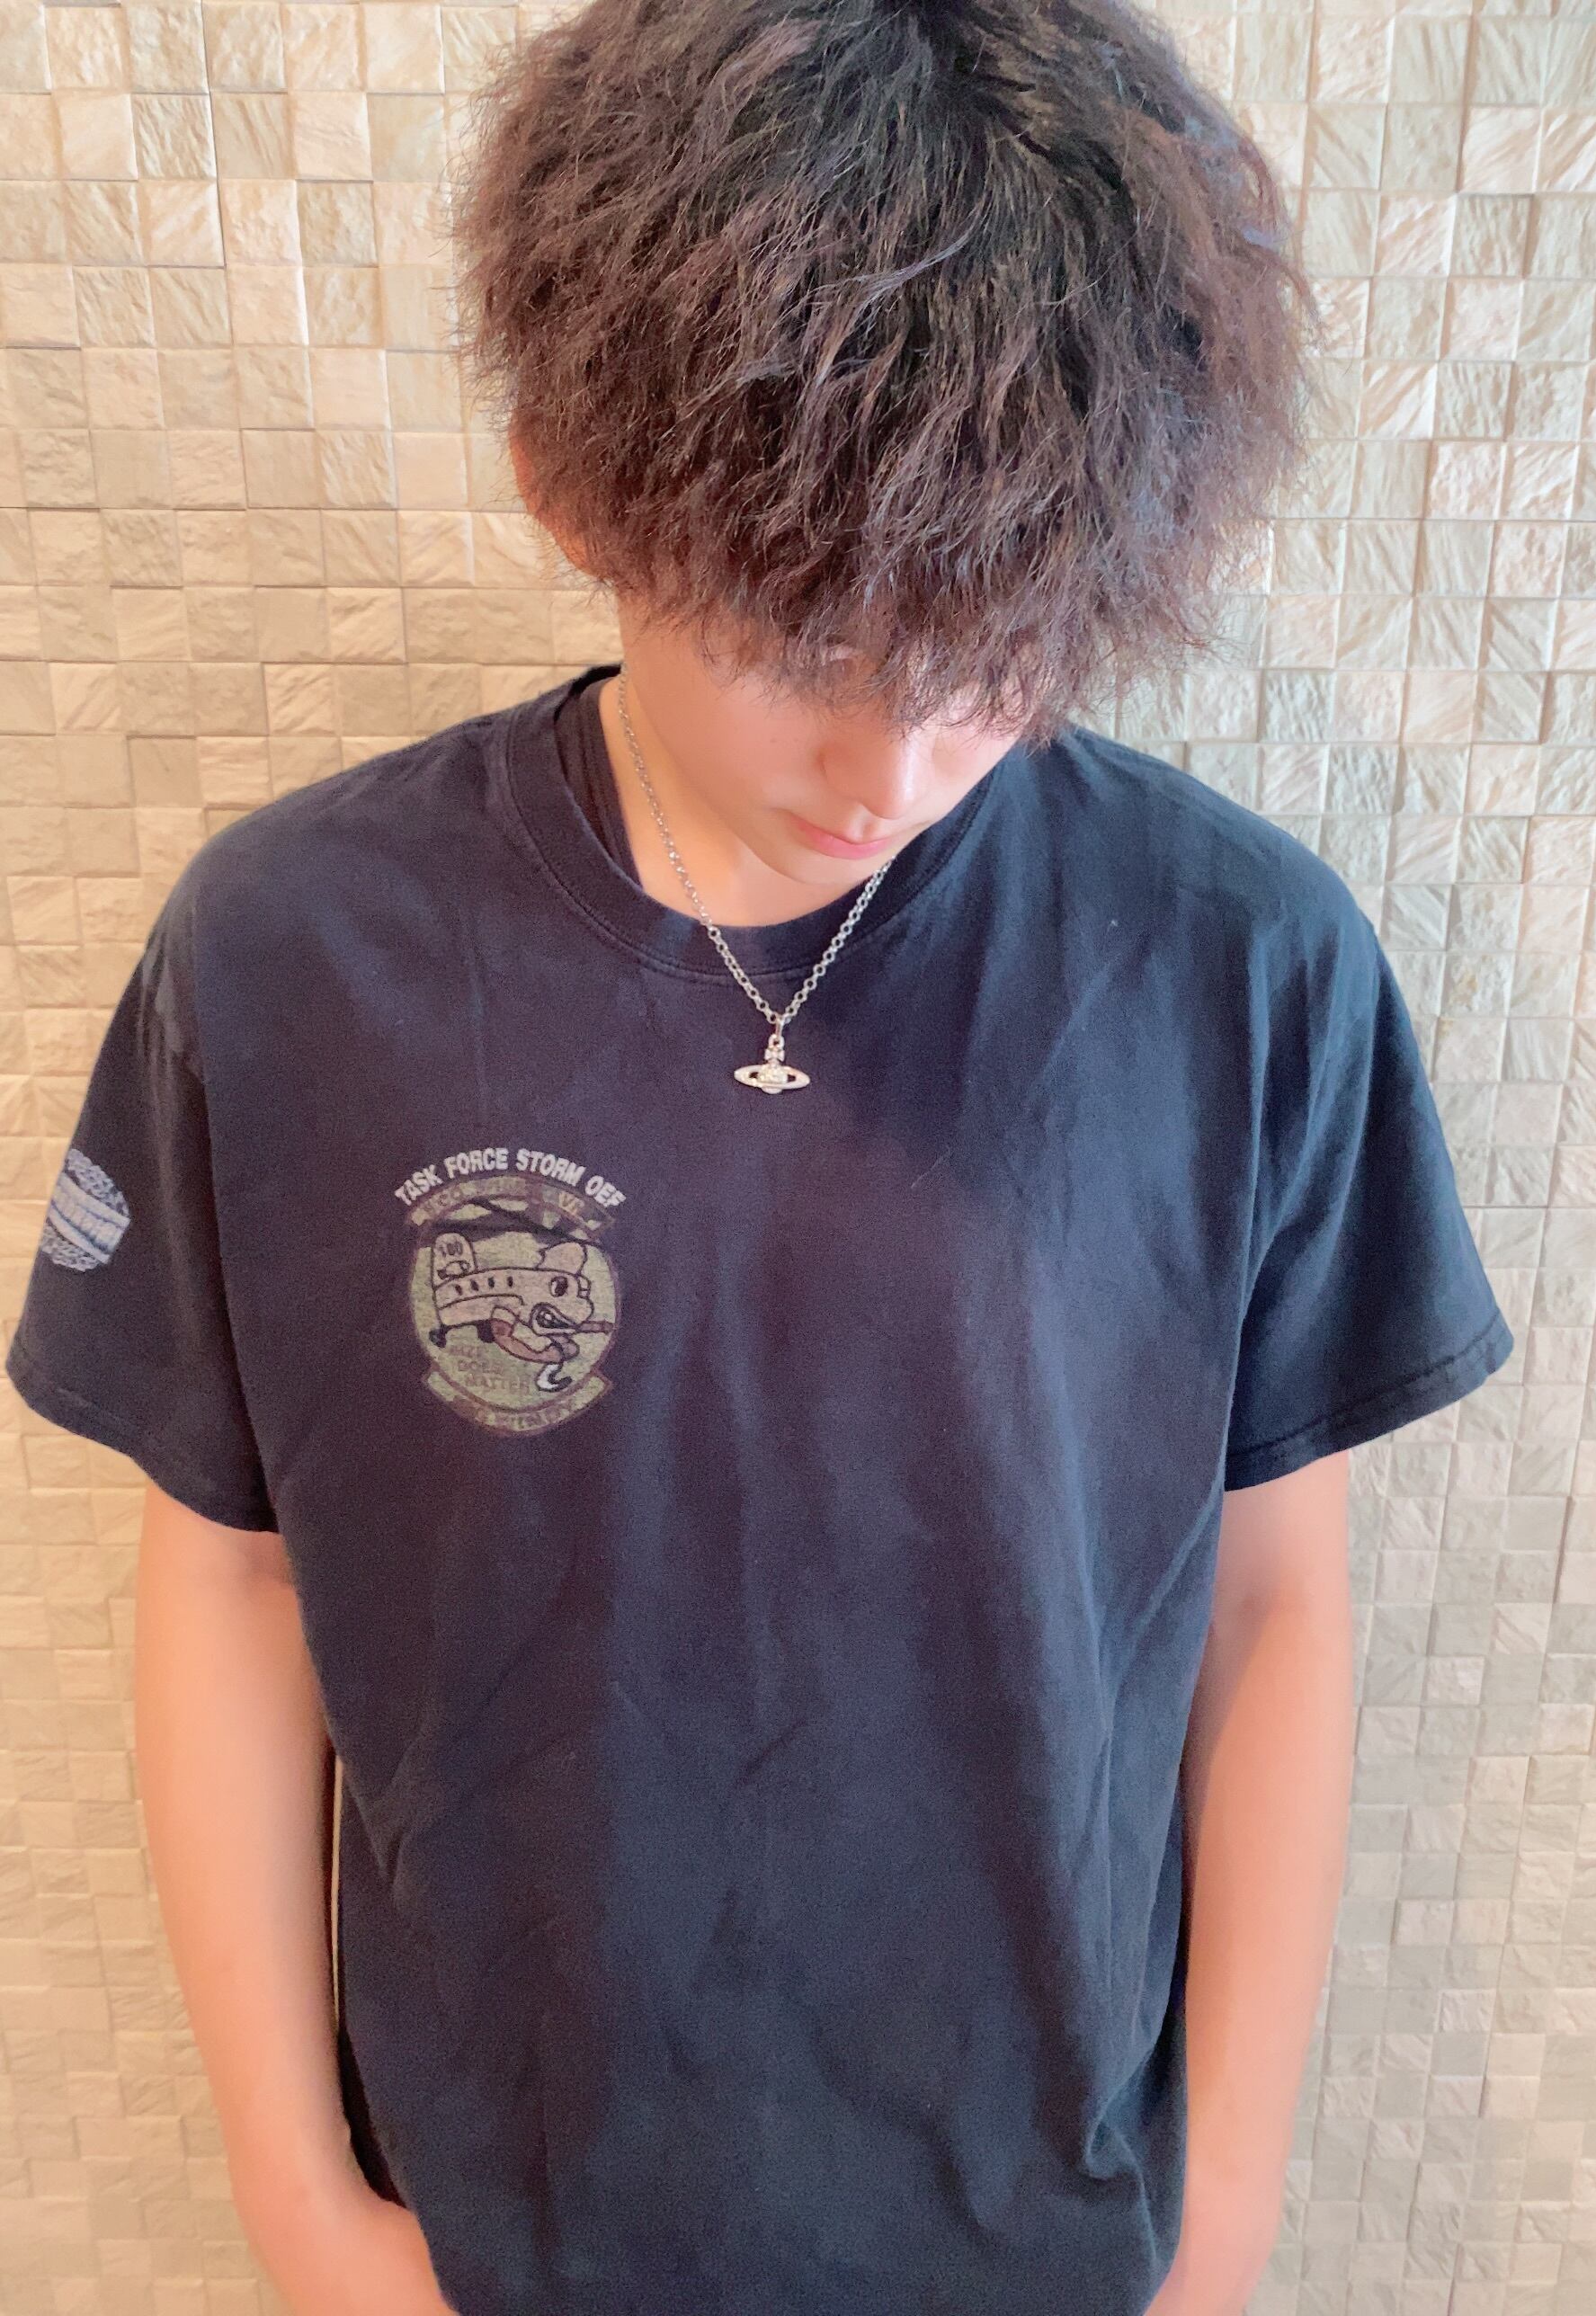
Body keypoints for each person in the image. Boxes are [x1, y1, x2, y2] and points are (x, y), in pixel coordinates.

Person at [4, 4, 1515, 2312]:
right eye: (807, 630)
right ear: (571, 478)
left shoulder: (1241, 964)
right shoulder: (293, 955)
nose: (892, 757)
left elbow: (1271, 1602)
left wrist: (1221, 2222)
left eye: (997, 646)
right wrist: (308, 2211)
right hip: (493, 2238)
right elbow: (230, 1583)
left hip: (1048, 2238)